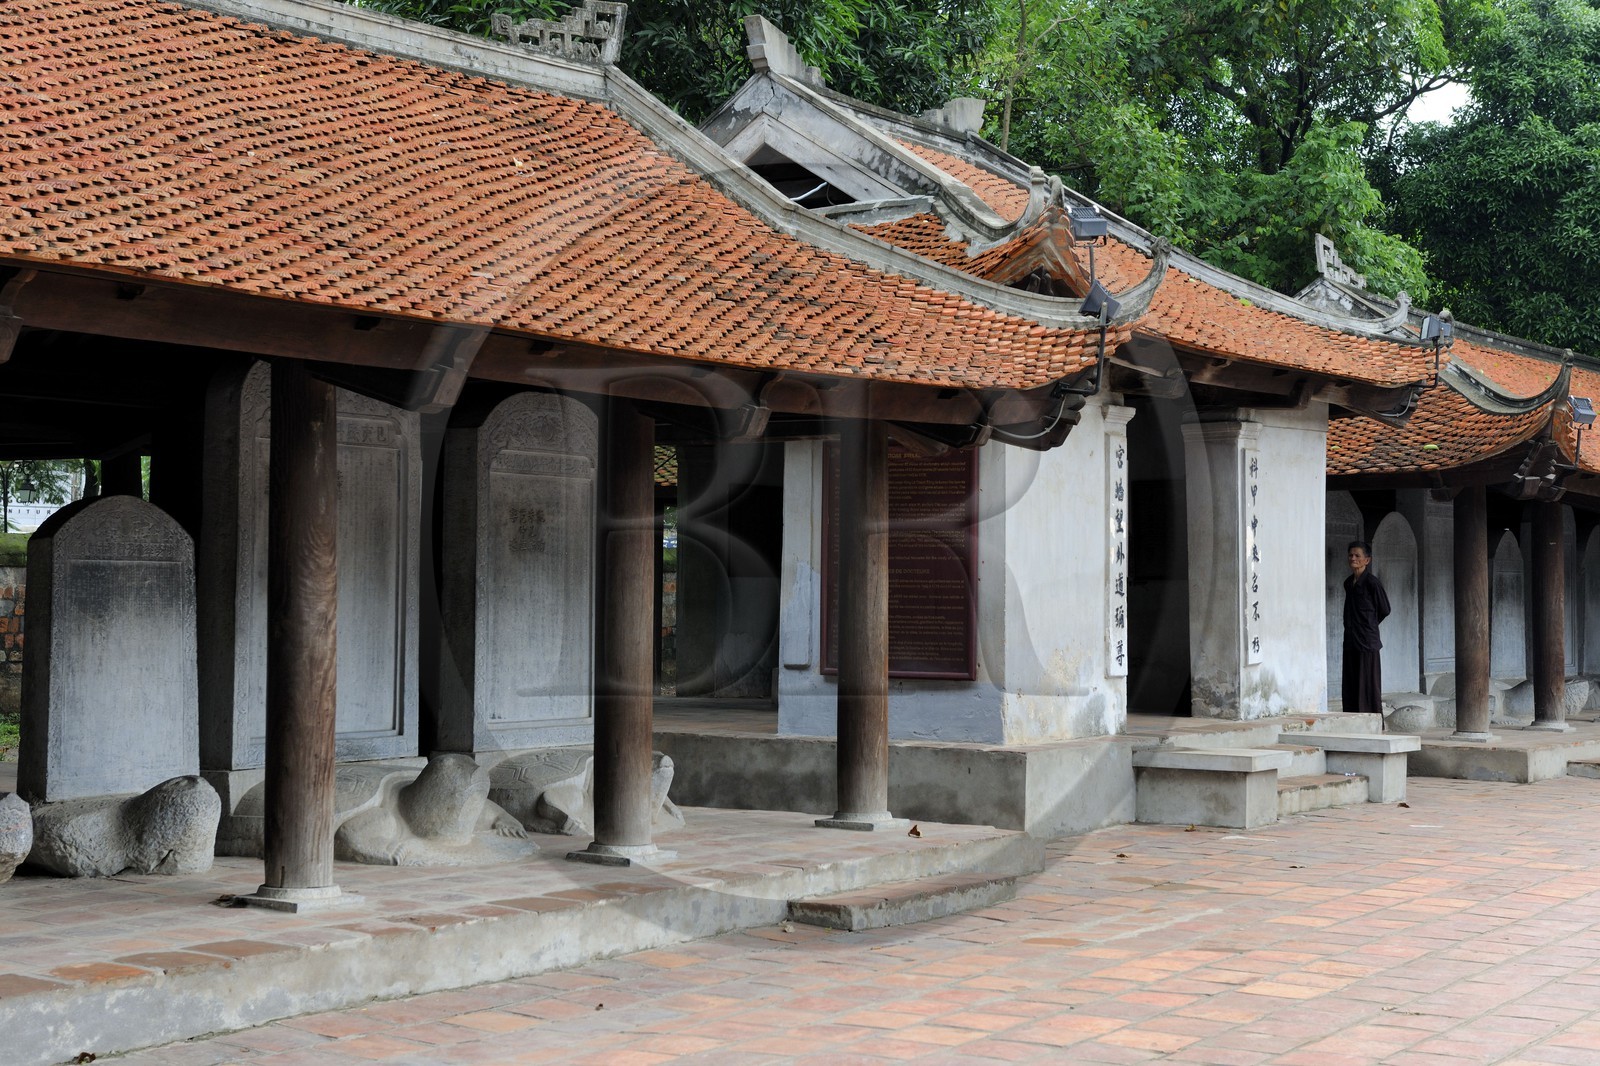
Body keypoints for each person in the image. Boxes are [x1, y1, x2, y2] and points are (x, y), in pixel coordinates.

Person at [1341, 540, 1390, 714]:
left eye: (1357, 556)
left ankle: (1372, 721)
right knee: (1351, 682)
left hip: (1367, 641)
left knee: (1368, 684)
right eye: (1350, 555)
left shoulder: (1372, 583)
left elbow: (1384, 609)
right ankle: (1352, 719)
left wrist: (1368, 624)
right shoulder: (1348, 583)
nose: (1353, 558)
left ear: (1367, 560)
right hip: (1350, 640)